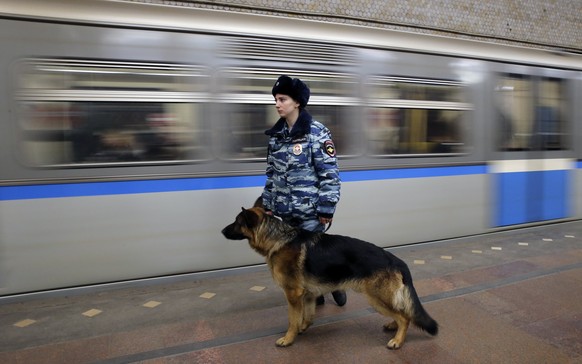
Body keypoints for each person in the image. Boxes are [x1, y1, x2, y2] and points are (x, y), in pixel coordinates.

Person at [261, 75, 346, 307]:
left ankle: (335, 284)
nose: (277, 104)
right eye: (276, 100)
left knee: (316, 259)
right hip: (284, 216)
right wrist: (267, 206)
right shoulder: (276, 138)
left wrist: (326, 208)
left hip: (310, 213)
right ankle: (314, 297)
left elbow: (329, 174)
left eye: (282, 99)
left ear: (297, 102)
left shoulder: (316, 133)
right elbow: (272, 176)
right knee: (297, 262)